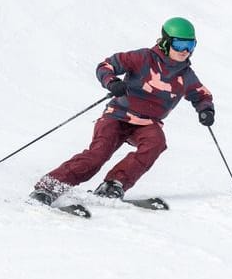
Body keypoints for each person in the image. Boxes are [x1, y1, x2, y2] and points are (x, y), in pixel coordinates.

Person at [29, 17, 215, 204]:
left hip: (147, 123)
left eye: (190, 45)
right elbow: (106, 66)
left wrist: (206, 110)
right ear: (166, 42)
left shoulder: (186, 75)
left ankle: (114, 184)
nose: (185, 51)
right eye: (179, 44)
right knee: (98, 154)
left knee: (156, 142)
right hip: (118, 116)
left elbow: (202, 95)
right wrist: (112, 82)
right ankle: (49, 187)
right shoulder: (143, 58)